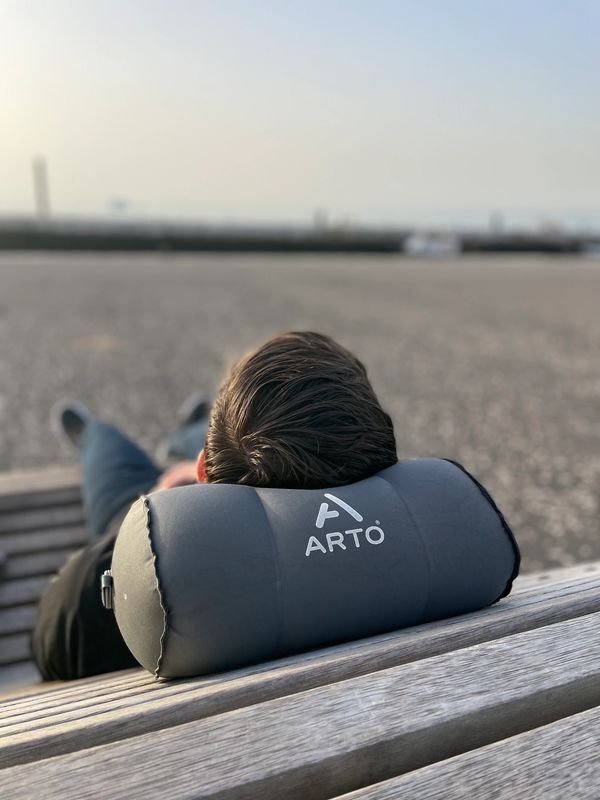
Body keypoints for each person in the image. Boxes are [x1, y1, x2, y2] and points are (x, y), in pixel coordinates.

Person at [32, 331, 398, 680]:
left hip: (152, 505)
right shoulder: (417, 548)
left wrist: (165, 506)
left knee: (109, 454)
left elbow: (50, 643)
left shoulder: (122, 577)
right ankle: (194, 425)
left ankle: (95, 433)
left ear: (202, 472)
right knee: (208, 433)